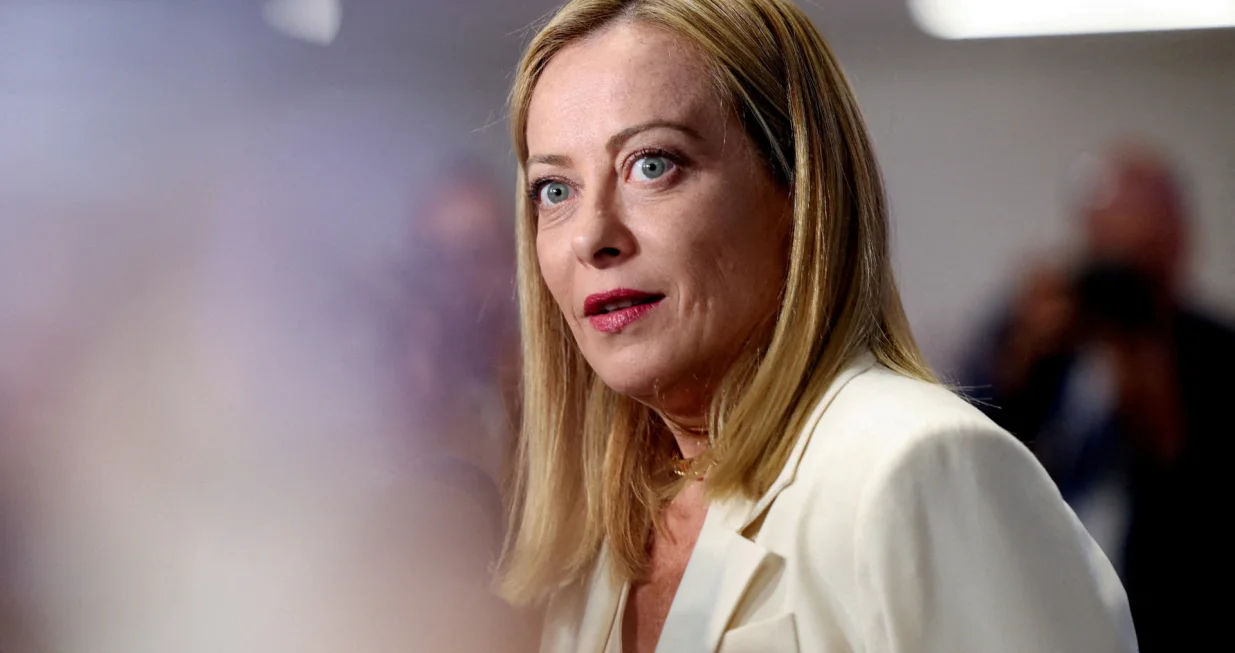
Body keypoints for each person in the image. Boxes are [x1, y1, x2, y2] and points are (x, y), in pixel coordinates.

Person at [495, 1, 1134, 652]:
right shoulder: (602, 539)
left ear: (798, 192)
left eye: (652, 164)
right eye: (554, 189)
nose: (591, 235)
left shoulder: (920, 467)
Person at [962, 143, 1234, 652]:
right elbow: (976, 455)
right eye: (1110, 253)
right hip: (1039, 615)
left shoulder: (1216, 354)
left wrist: (1152, 389)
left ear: (1180, 244)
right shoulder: (1043, 336)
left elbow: (1205, 514)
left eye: (1143, 257)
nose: (1122, 283)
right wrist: (1022, 357)